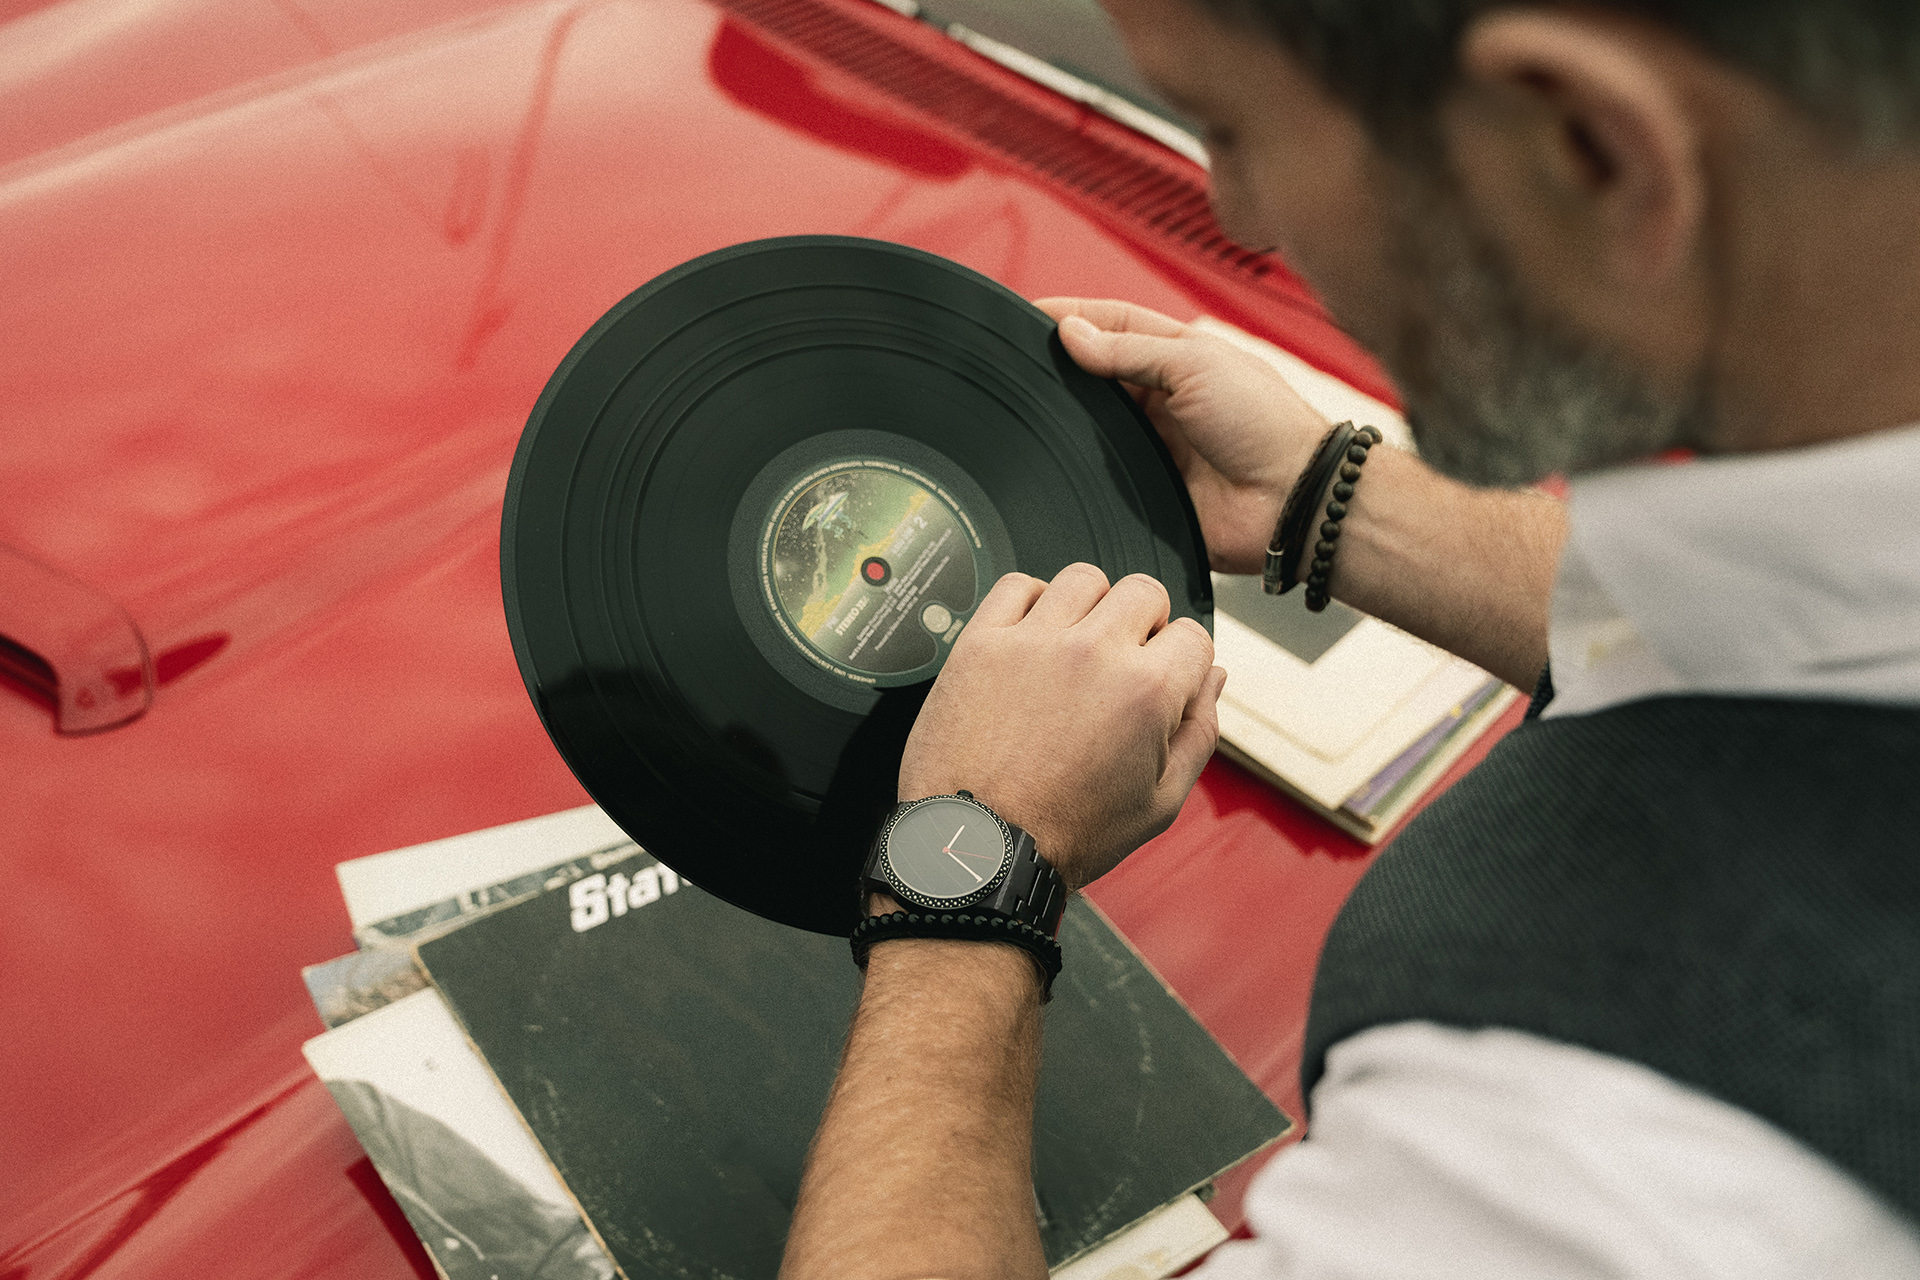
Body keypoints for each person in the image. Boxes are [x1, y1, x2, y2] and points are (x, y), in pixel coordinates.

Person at [779, 0, 1920, 1275]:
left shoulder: (1607, 1178)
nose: (1240, 212)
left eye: (1231, 125)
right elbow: (1801, 620)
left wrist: (970, 867)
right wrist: (1328, 501)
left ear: (1589, 148)